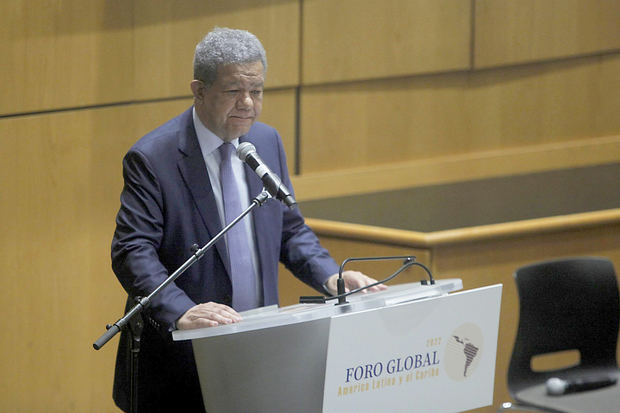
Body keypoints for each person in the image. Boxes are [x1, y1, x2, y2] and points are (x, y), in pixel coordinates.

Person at [110, 27, 385, 412]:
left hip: (257, 351)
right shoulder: (154, 158)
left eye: (256, 91)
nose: (247, 104)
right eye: (233, 91)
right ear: (199, 90)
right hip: (184, 362)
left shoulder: (267, 142)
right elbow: (132, 251)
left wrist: (330, 275)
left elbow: (290, 231)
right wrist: (182, 310)